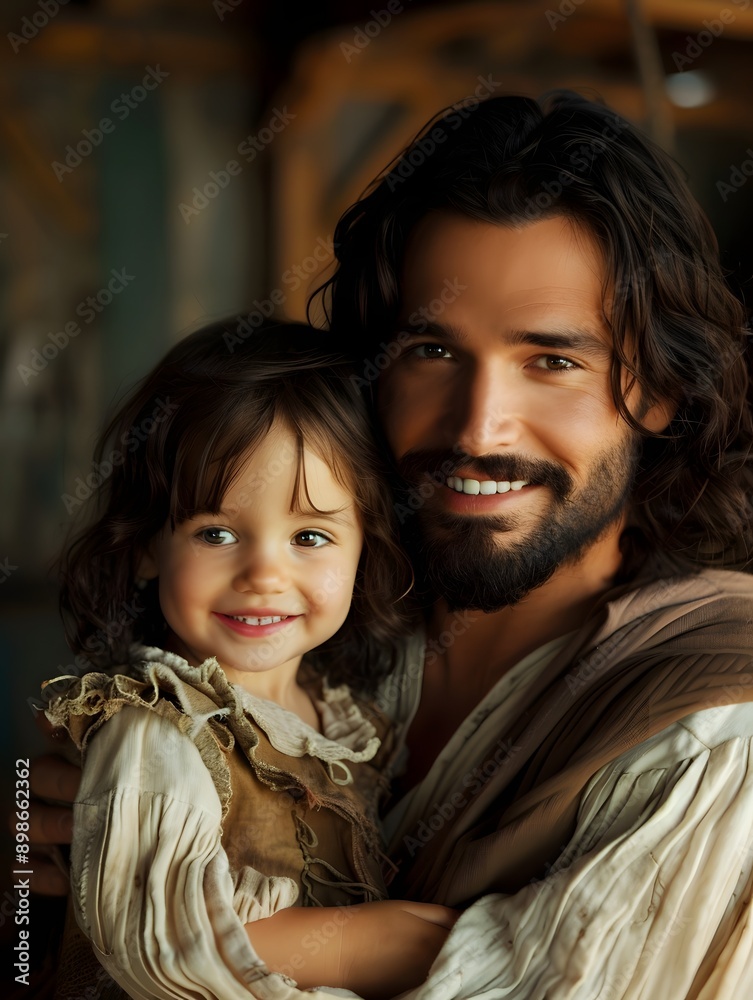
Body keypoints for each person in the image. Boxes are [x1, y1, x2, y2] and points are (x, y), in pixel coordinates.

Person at [30, 89, 753, 998]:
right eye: (432, 351)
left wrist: (282, 940)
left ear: (654, 389)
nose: (479, 428)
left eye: (552, 361)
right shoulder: (303, 614)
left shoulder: (714, 729)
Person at [37, 320, 457, 1000]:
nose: (264, 572)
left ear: (363, 550)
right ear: (148, 545)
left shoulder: (340, 715)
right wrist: (358, 949)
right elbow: (159, 946)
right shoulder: (158, 727)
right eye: (218, 532)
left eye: (310, 535)